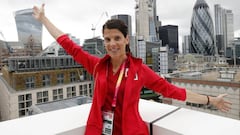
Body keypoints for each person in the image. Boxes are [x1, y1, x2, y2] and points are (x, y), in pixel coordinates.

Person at [33, 4, 232, 135]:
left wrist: (211, 99)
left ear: (126, 40)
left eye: (117, 38)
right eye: (108, 39)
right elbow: (68, 44)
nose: (112, 43)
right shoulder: (97, 66)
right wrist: (44, 20)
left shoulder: (139, 70)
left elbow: (174, 91)